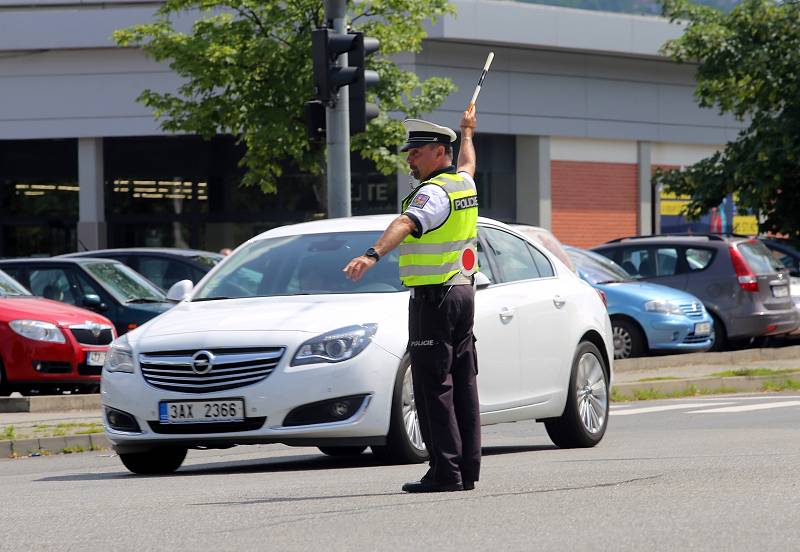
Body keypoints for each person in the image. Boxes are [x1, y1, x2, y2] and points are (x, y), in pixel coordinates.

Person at [343, 107, 480, 493]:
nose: (409, 159)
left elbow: (405, 223)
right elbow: (468, 161)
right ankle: (466, 470)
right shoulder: (462, 185)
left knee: (432, 386)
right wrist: (466, 131)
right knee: (463, 383)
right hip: (463, 293)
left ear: (438, 152)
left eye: (415, 153)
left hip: (434, 299)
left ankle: (445, 473)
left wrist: (371, 255)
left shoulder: (434, 193)